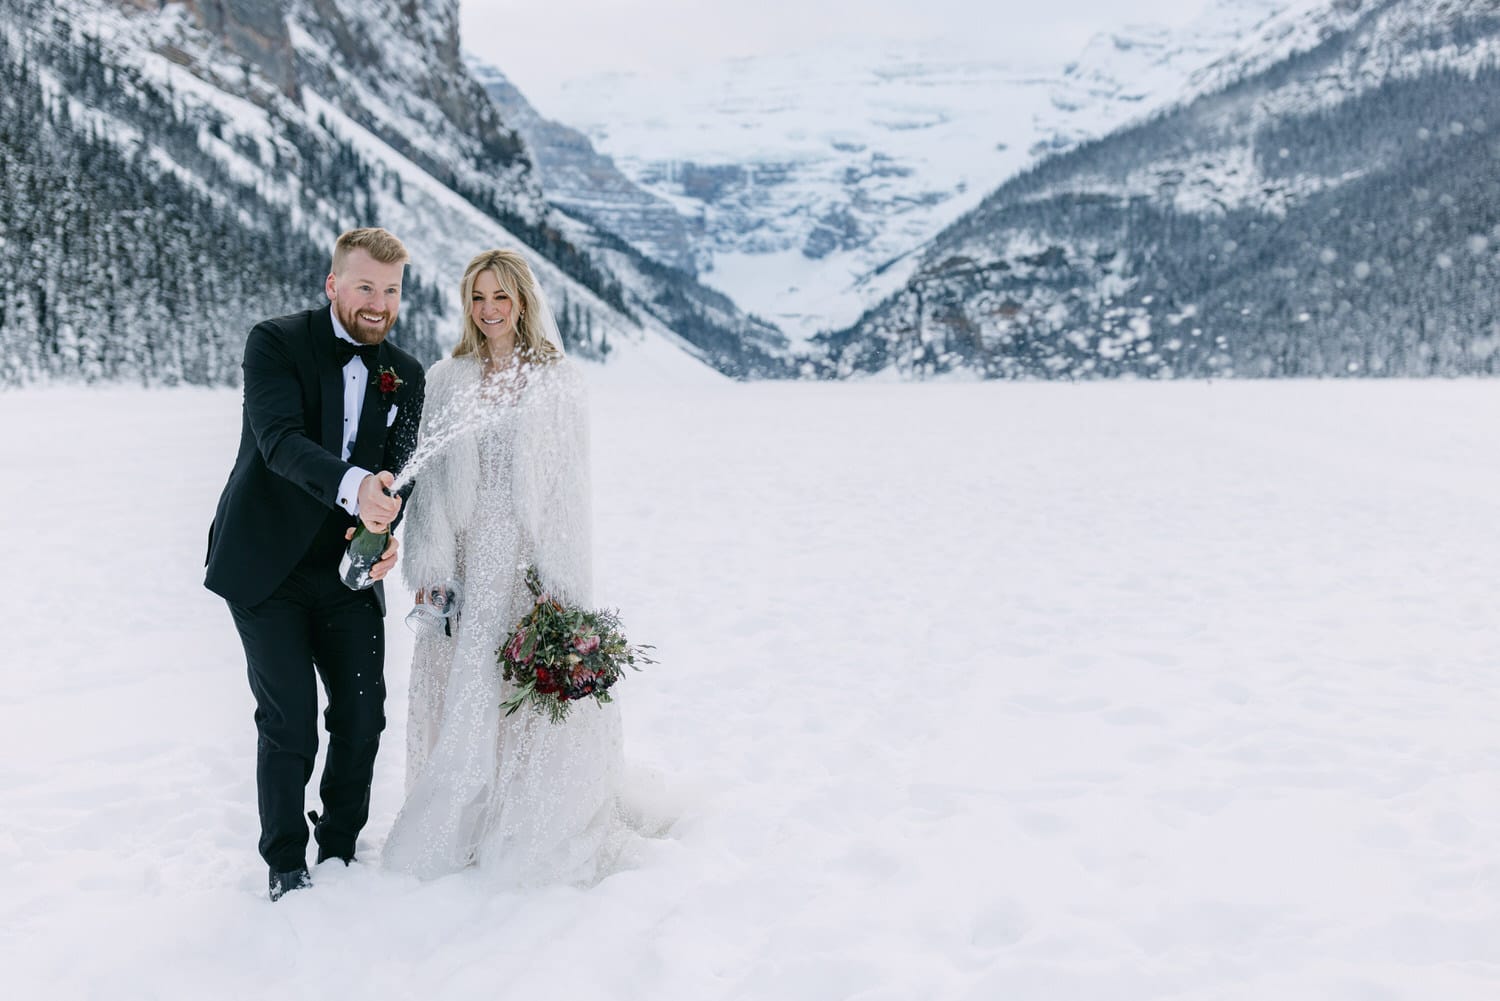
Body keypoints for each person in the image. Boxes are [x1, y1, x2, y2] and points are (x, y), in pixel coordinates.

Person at [383, 249, 630, 884]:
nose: (489, 311)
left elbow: (570, 488)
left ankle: (524, 815)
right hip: (467, 554)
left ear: (522, 301)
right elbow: (433, 483)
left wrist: (564, 585)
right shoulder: (447, 378)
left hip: (527, 559)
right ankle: (459, 817)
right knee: (467, 686)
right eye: (477, 298)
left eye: (501, 297)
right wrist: (433, 562)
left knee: (521, 685)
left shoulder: (556, 381)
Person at [204, 228, 426, 901]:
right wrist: (354, 484)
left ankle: (337, 846)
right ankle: (285, 861)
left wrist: (385, 527)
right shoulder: (273, 342)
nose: (378, 302)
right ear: (333, 285)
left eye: (390, 291)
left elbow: (401, 474)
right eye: (365, 286)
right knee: (290, 719)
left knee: (363, 715)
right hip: (265, 568)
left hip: (346, 575)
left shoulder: (407, 375)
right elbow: (278, 442)